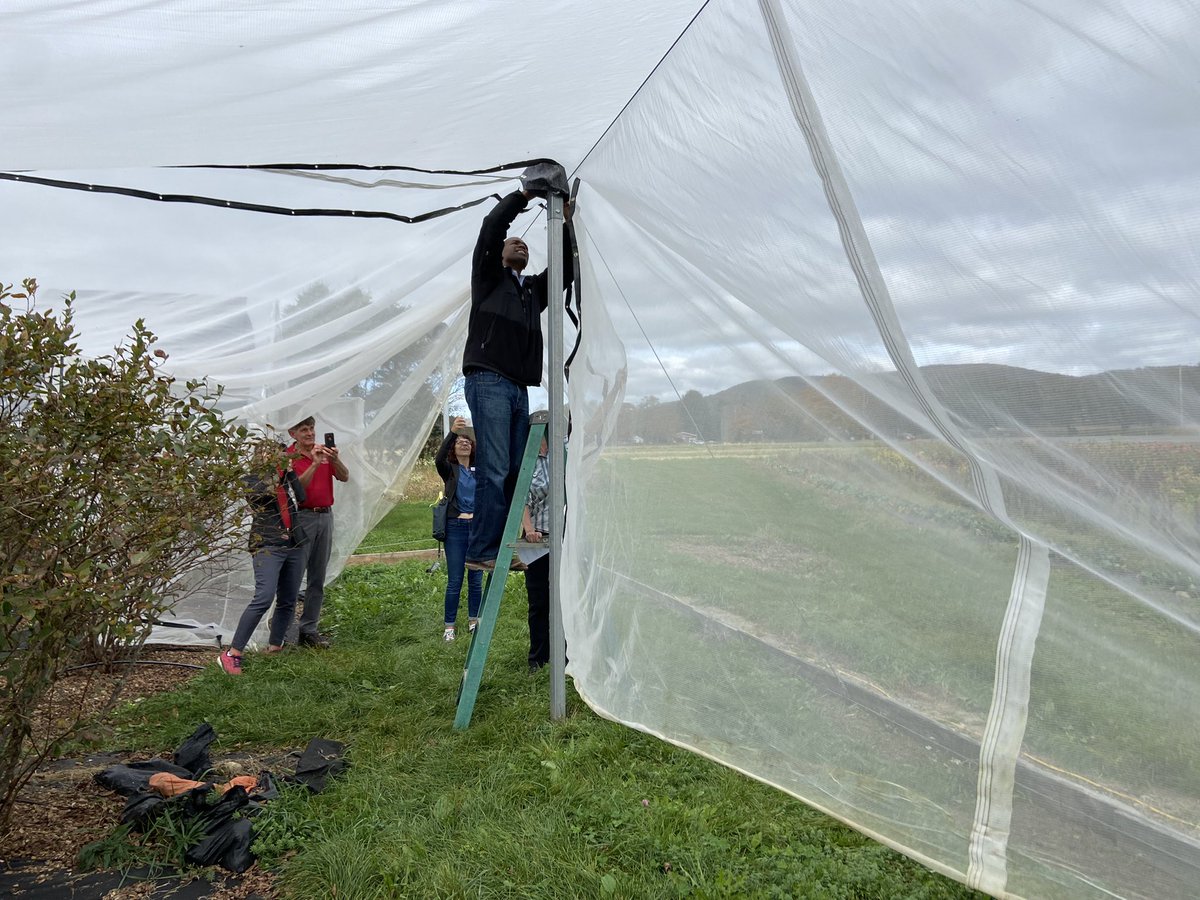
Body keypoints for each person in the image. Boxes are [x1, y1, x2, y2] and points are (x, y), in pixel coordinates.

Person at [462, 189, 571, 570]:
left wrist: (568, 219)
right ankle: (481, 551)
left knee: (512, 470)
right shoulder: (488, 278)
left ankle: (500, 545)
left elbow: (565, 269)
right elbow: (492, 229)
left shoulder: (529, 292)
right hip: (488, 378)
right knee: (493, 467)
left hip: (517, 386)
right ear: (502, 253)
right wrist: (523, 195)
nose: (520, 243)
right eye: (514, 242)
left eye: (525, 244)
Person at [218, 441, 307, 675]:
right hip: (267, 546)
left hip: (294, 543)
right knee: (263, 597)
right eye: (273, 454)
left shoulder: (285, 477)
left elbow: (302, 496)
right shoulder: (251, 480)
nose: (279, 457)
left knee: (288, 599)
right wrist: (277, 472)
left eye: (280, 454)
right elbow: (262, 496)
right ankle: (233, 653)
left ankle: (275, 645)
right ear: (261, 457)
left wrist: (290, 472)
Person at [286, 415, 350, 647]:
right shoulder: (288, 458)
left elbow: (344, 476)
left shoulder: (323, 452)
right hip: (302, 517)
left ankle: (309, 630)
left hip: (325, 515)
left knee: (317, 576)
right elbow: (296, 490)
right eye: (303, 430)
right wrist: (314, 463)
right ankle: (285, 630)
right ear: (293, 434)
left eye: (311, 428)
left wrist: (333, 460)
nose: (310, 434)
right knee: (293, 576)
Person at [434, 416, 484, 641]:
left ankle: (474, 621)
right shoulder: (450, 470)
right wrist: (452, 433)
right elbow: (438, 458)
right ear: (453, 448)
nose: (464, 443)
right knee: (455, 579)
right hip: (455, 528)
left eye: (467, 441)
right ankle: (449, 627)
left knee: (476, 578)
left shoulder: (479, 470)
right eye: (459, 442)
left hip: (477, 528)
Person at [520, 433, 551, 671]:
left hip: (564, 536)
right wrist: (529, 529)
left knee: (565, 598)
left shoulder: (563, 453)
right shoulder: (526, 459)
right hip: (538, 539)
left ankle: (567, 655)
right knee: (538, 600)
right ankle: (538, 658)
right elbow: (521, 498)